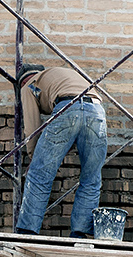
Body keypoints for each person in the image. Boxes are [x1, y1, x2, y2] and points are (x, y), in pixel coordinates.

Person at [15, 62, 107, 237]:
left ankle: (27, 230)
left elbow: (32, 125)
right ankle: (80, 233)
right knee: (91, 179)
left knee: (39, 174)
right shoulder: (60, 75)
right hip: (97, 110)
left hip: (67, 106)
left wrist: (34, 156)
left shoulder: (29, 84)